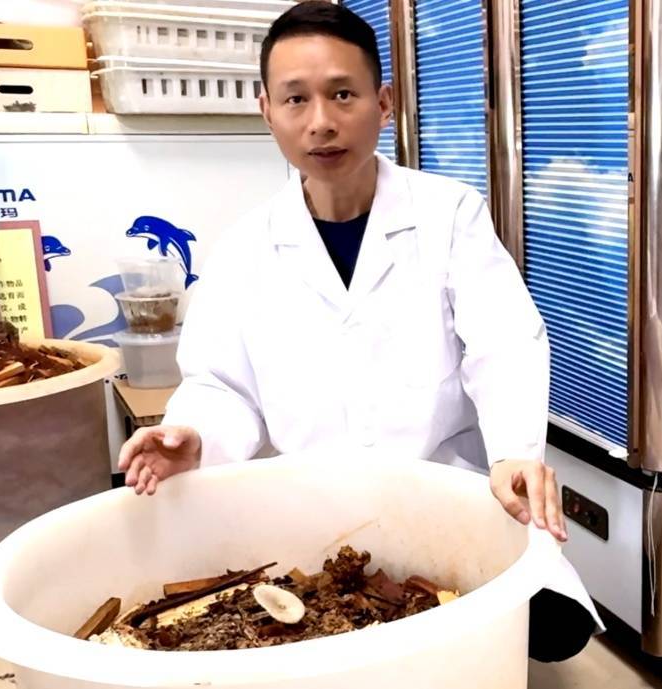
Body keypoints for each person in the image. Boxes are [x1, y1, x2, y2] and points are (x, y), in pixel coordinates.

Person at [116, 0, 601, 662]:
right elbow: (221, 384)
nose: (320, 121)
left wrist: (514, 450)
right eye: (296, 99)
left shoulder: (449, 213)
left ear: (385, 102)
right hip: (308, 509)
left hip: (438, 488)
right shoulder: (243, 250)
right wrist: (194, 436)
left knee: (552, 627)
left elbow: (504, 341)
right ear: (266, 111)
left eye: (342, 94)